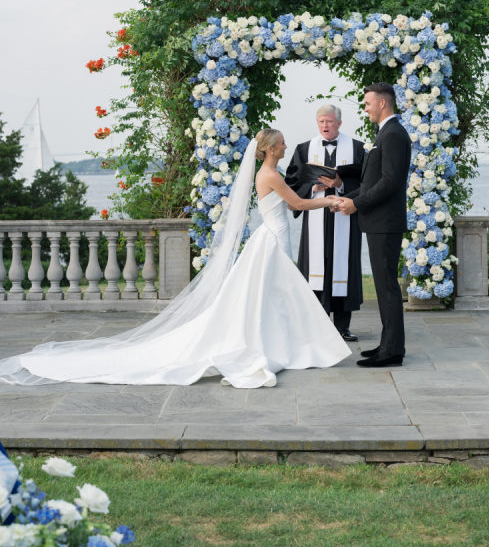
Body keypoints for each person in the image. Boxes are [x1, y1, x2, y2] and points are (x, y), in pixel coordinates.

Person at [0, 130, 351, 389]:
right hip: (272, 240)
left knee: (274, 296)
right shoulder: (270, 174)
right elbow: (297, 204)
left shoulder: (270, 174)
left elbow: (291, 200)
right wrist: (331, 200)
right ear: (271, 149)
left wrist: (319, 192)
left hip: (272, 237)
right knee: (275, 294)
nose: (287, 146)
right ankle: (287, 345)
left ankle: (284, 343)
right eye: (283, 143)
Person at [336, 83, 411, 368]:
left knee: (387, 287)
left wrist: (357, 204)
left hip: (385, 222)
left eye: (368, 103)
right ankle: (389, 344)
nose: (365, 108)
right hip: (379, 221)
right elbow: (371, 182)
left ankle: (392, 352)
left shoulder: (393, 134)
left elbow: (390, 182)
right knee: (383, 286)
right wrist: (348, 198)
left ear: (382, 103)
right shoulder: (385, 133)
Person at [285, 104, 365, 341]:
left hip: (345, 217)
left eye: (329, 121)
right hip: (316, 218)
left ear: (339, 123)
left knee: (344, 269)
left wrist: (340, 184)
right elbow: (291, 183)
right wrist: (313, 188)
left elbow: (367, 183)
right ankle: (317, 327)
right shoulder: (304, 149)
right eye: (321, 121)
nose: (325, 125)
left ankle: (342, 327)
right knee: (315, 269)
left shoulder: (357, 148)